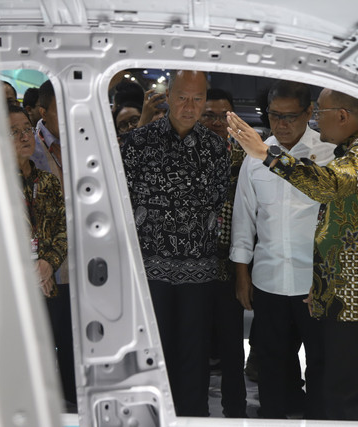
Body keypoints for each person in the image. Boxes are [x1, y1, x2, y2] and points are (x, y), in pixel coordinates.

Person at [226, 88, 358, 421]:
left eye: (318, 112)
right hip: (315, 284)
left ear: (340, 115)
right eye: (274, 115)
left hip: (352, 293)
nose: (282, 123)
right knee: (295, 376)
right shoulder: (357, 150)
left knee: (341, 389)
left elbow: (328, 187)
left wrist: (266, 154)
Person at [121, 70, 230, 417]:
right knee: (151, 350)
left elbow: (217, 200)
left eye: (198, 99)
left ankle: (193, 417)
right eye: (182, 97)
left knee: (194, 353)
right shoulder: (138, 143)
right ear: (168, 96)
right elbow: (123, 200)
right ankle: (150, 416)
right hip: (148, 272)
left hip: (199, 272)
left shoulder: (216, 147)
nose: (189, 106)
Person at [230, 81, 334, 420]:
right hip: (270, 281)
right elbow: (244, 219)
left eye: (290, 116)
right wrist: (242, 274)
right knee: (273, 368)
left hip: (315, 284)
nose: (282, 124)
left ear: (308, 113)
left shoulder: (330, 153)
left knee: (322, 366)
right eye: (275, 116)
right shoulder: (254, 156)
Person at [7, 104, 76, 410]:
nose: (25, 136)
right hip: (11, 293)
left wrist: (47, 264)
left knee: (56, 360)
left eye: (26, 128)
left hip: (51, 285)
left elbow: (63, 229)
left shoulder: (45, 182)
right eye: (14, 131)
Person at [25, 81, 77, 410]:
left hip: (79, 259)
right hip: (45, 261)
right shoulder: (30, 147)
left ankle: (73, 401)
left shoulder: (82, 138)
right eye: (62, 108)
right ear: (43, 112)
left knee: (73, 342)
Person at [198, 88, 247, 418]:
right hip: (194, 261)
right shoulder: (186, 151)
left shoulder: (247, 154)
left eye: (223, 115)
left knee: (232, 342)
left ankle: (236, 408)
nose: (216, 122)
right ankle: (193, 410)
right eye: (209, 115)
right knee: (194, 341)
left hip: (233, 259)